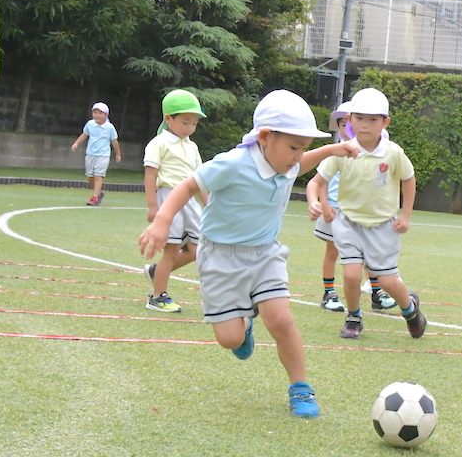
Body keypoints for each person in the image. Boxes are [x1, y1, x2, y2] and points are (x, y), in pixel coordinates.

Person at [139, 89, 359, 418]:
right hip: (219, 257)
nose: (299, 156)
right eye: (295, 147)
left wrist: (335, 149)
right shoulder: (233, 163)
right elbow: (187, 185)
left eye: (304, 148)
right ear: (266, 137)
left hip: (264, 254)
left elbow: (303, 165)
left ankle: (300, 387)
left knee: (282, 320)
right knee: (230, 339)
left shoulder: (286, 161)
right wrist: (161, 220)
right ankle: (244, 324)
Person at [307, 86, 427, 341]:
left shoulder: (393, 152)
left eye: (373, 120)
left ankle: (411, 311)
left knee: (387, 281)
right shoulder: (342, 150)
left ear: (385, 122)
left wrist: (405, 216)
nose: (365, 125)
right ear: (349, 120)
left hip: (383, 225)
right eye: (359, 118)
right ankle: (354, 317)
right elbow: (315, 182)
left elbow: (408, 178)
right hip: (348, 223)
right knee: (351, 273)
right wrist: (315, 202)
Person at [308, 104, 398, 314]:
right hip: (335, 209)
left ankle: (377, 291)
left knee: (368, 253)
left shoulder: (372, 149)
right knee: (333, 251)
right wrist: (325, 204)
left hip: (359, 211)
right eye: (342, 124)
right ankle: (329, 292)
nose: (346, 128)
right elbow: (322, 181)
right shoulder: (336, 150)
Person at [141, 90, 208, 313]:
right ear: (168, 119)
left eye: (194, 123)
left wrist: (208, 204)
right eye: (185, 122)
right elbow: (150, 175)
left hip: (190, 201)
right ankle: (157, 297)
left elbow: (200, 180)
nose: (189, 127)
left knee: (197, 249)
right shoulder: (159, 143)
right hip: (168, 198)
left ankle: (156, 271)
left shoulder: (192, 146)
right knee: (170, 251)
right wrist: (153, 207)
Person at [71, 101, 121, 205]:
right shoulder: (90, 124)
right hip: (90, 154)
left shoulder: (109, 127)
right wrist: (76, 143)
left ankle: (94, 198)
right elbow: (84, 134)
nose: (97, 115)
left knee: (98, 176)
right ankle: (98, 193)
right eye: (95, 112)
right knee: (90, 177)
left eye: (100, 113)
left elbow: (114, 141)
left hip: (103, 155)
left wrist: (118, 154)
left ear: (106, 115)